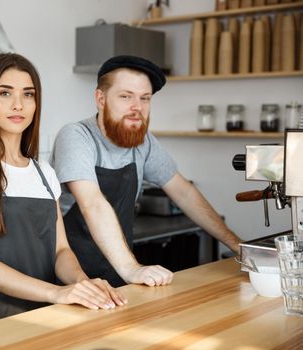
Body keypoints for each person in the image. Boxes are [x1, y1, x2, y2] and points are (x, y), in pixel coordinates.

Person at [0, 53, 126, 330]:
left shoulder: (44, 173)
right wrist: (56, 292)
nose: (18, 104)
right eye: (5, 93)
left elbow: (61, 250)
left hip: (39, 317)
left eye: (28, 94)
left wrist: (82, 283)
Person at [50, 55, 242, 288]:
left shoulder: (143, 143)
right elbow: (93, 204)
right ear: (100, 99)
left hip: (118, 273)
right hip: (71, 279)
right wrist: (133, 269)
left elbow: (184, 193)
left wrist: (238, 246)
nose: (137, 108)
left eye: (145, 98)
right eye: (125, 96)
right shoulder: (76, 136)